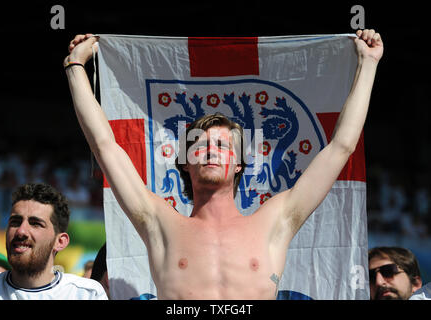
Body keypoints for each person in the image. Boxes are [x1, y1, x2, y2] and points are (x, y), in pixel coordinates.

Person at [65, 29, 383, 299]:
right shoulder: (158, 222)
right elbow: (105, 146)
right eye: (199, 145)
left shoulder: (277, 220)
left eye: (221, 145)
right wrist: (75, 66)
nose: (210, 151)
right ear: (185, 163)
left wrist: (368, 64)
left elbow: (341, 147)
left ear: (239, 164)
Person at [0, 183, 108, 299]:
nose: (21, 231)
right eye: (15, 222)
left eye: (35, 224)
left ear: (60, 242)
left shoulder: (86, 294)